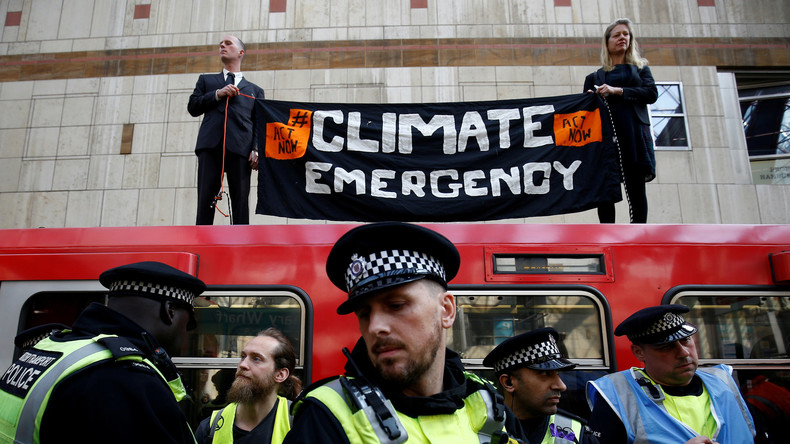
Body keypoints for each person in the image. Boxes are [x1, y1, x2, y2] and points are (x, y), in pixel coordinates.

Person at [283, 222, 525, 443]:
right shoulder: (325, 416)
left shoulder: (490, 405)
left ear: (447, 310)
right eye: (364, 313)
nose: (375, 327)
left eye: (396, 305)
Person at [0, 261, 206, 443]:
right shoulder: (126, 379)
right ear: (170, 311)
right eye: (190, 322)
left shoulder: (51, 348)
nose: (186, 332)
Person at [584, 305, 756, 444]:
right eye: (666, 347)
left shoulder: (724, 381)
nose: (683, 353)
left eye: (686, 340)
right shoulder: (617, 397)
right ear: (639, 353)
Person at [583, 18, 658, 223]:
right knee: (606, 188)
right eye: (617, 35)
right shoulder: (595, 77)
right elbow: (586, 115)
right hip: (606, 140)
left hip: (633, 135)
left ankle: (638, 234)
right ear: (607, 42)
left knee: (636, 188)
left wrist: (618, 91)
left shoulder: (640, 69)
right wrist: (589, 99)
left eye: (626, 34)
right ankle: (608, 236)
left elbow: (651, 94)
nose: (622, 38)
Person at [188, 34, 265, 225]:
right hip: (210, 146)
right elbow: (193, 107)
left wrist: (256, 148)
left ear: (241, 52)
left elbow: (259, 123)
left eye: (228, 43)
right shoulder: (206, 81)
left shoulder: (255, 90)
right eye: (220, 44)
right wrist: (217, 94)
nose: (222, 45)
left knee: (240, 202)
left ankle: (240, 244)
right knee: (205, 200)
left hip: (241, 149)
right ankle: (202, 242)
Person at [194, 328, 301, 444]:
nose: (242, 365)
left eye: (256, 359)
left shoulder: (299, 423)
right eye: (243, 357)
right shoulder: (210, 428)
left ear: (280, 374)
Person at [484, 327, 585, 444]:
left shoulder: (577, 433)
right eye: (545, 373)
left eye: (557, 374)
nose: (562, 386)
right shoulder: (482, 430)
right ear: (508, 383)